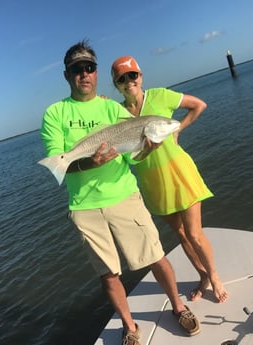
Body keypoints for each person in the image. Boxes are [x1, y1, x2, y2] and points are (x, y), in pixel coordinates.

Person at [41, 40, 200, 345]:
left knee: (156, 256)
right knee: (108, 274)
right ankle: (130, 328)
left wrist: (148, 148)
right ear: (67, 75)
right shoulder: (54, 114)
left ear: (96, 73)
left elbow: (133, 157)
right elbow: (61, 162)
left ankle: (179, 307)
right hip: (84, 206)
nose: (83, 74)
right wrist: (90, 161)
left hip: (125, 196)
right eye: (77, 70)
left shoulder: (113, 109)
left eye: (89, 68)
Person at [111, 56, 228, 303]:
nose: (128, 81)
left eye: (132, 75)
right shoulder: (116, 113)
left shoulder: (160, 96)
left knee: (195, 233)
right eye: (122, 79)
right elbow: (126, 155)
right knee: (182, 235)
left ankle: (215, 277)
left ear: (140, 76)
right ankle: (203, 276)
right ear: (116, 85)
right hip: (152, 183)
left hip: (179, 173)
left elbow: (199, 105)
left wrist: (178, 130)